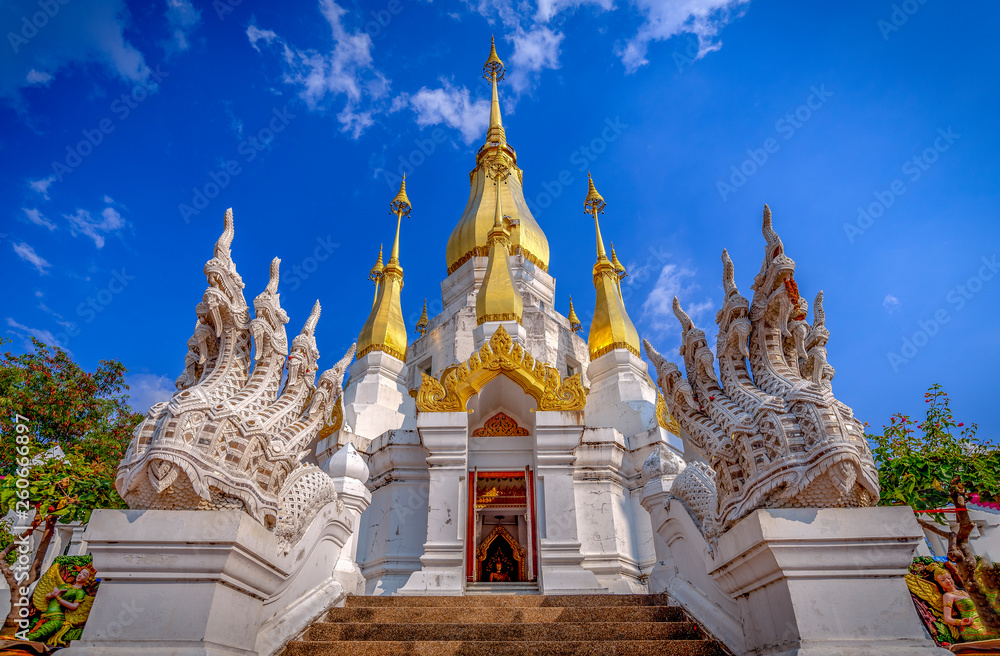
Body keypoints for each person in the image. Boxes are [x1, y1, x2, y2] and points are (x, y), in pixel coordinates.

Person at [24, 567, 92, 643]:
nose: (80, 575)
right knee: (30, 632)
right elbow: (48, 596)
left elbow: (74, 606)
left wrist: (59, 598)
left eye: (84, 574)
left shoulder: (80, 592)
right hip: (44, 616)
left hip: (57, 619)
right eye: (80, 573)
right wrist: (52, 595)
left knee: (37, 635)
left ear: (88, 579)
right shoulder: (64, 586)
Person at [932, 564, 998, 642]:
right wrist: (961, 622)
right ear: (939, 583)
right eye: (942, 580)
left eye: (949, 578)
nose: (948, 581)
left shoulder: (964, 591)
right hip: (970, 626)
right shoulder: (948, 596)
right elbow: (947, 618)